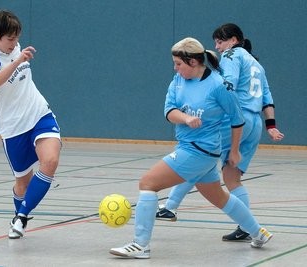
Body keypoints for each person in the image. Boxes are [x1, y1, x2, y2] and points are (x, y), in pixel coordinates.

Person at [110, 37, 272, 259]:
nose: (175, 68)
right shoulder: (177, 80)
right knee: (220, 198)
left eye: (178, 63)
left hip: (199, 150)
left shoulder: (218, 85)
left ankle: (141, 245)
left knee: (147, 182)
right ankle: (258, 232)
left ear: (193, 62)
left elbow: (237, 119)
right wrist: (185, 118)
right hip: (192, 147)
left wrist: (234, 151)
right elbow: (169, 111)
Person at [156, 23, 284, 242]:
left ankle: (170, 206)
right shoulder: (257, 65)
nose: (217, 46)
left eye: (220, 41)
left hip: (236, 119)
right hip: (254, 123)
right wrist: (271, 125)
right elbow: (267, 98)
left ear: (233, 40)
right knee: (231, 176)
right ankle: (247, 226)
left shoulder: (233, 55)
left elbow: (228, 86)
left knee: (197, 155)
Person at [0, 10, 61, 239]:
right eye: (9, 39)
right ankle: (18, 217)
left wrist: (17, 55)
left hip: (39, 114)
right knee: (22, 183)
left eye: (17, 38)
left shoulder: (14, 47)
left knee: (51, 160)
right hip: (13, 127)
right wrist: (17, 61)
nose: (14, 43)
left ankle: (22, 215)